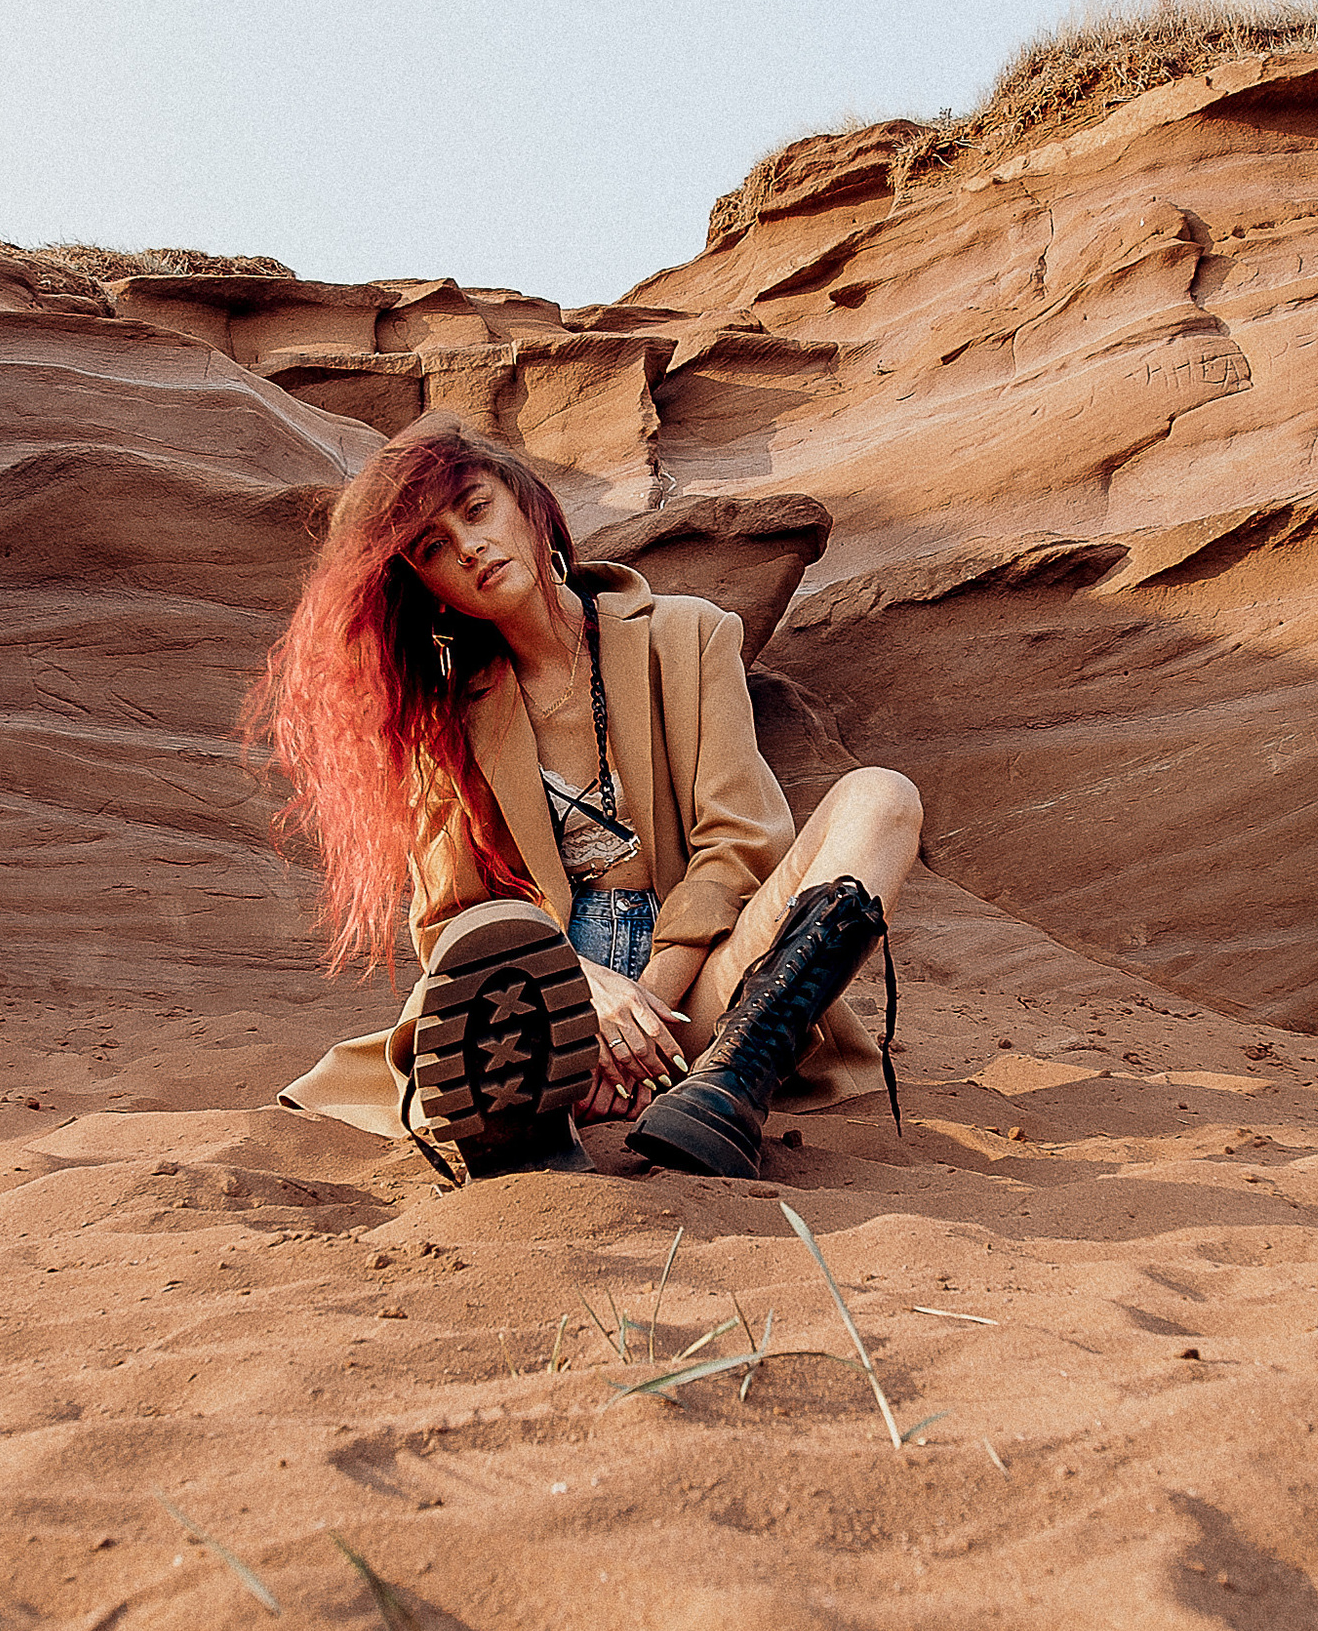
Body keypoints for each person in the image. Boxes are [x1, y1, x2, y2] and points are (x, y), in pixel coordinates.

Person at [245, 418, 919, 1181]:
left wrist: (642, 1016)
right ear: (425, 587)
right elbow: (453, 916)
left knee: (881, 798)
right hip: (538, 1004)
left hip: (698, 986)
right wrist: (581, 992)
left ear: (528, 506)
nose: (467, 547)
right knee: (491, 945)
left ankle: (727, 1089)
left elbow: (740, 847)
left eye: (475, 509)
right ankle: (528, 1112)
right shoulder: (440, 716)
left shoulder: (688, 635)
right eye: (431, 548)